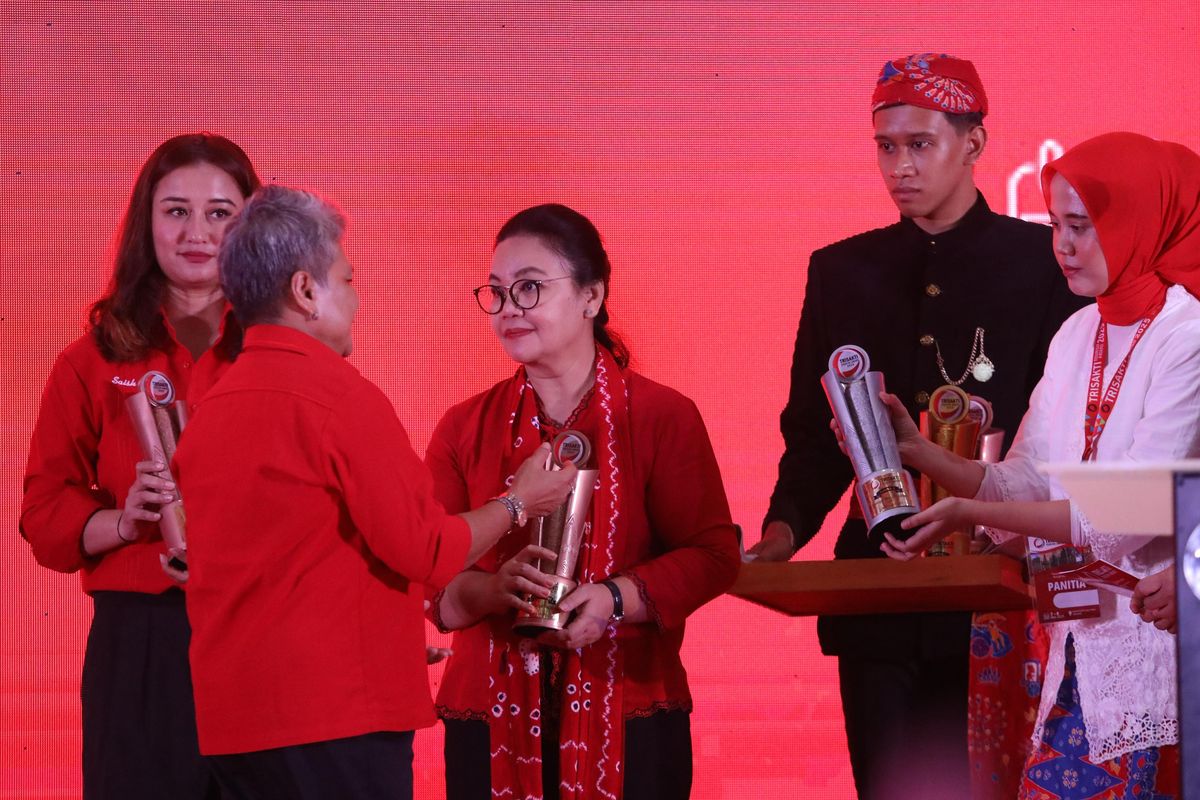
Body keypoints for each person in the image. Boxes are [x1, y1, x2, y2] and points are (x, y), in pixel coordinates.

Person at [749, 53, 1087, 799]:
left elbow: (1058, 435)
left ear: (974, 144)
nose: (899, 166)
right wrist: (782, 532)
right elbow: (814, 433)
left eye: (919, 144)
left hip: (999, 590)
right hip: (880, 587)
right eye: (885, 146)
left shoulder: (1043, 263)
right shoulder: (841, 270)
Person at [171, 186, 576, 799]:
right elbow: (426, 549)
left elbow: (281, 566)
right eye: (348, 279)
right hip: (334, 725)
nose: (358, 300)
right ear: (306, 291)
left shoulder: (212, 408)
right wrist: (520, 501)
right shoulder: (338, 399)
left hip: (233, 724)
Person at [883, 132, 1200, 798]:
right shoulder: (1076, 332)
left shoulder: (1187, 334)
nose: (1062, 244)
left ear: (1139, 221)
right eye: (1056, 225)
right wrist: (921, 451)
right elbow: (1025, 478)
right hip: (1077, 645)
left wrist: (972, 511)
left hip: (1160, 656)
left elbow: (1132, 509)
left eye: (1082, 227)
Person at [426, 203, 741, 800]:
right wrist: (495, 590)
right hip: (488, 715)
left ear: (592, 297)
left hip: (630, 707)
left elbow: (714, 554)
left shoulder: (660, 415)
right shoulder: (463, 426)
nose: (508, 308)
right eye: (495, 292)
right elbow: (435, 587)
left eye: (529, 288)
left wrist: (613, 599)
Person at [20, 132, 260, 799]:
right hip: (143, 642)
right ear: (145, 223)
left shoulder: (285, 347)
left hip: (260, 628)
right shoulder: (91, 359)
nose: (197, 232)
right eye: (175, 210)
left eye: (220, 212)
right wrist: (123, 523)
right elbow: (43, 514)